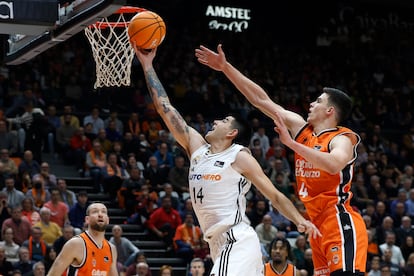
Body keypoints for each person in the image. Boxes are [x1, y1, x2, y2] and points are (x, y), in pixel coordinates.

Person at [134, 45, 319, 276]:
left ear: (232, 133)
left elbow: (274, 195)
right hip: (217, 245)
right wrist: (148, 65)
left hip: (237, 239)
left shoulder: (239, 156)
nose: (216, 121)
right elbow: (165, 108)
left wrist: (299, 220)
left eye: (224, 120)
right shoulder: (197, 149)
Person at [196, 44, 368, 275]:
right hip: (315, 224)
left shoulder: (342, 138)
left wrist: (291, 144)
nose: (311, 104)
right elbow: (260, 100)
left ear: (330, 111)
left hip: (338, 218)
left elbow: (334, 164)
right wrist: (225, 67)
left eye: (318, 101)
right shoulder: (301, 128)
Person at [46, 202, 118, 275]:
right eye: (95, 211)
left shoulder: (111, 249)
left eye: (103, 212)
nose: (100, 214)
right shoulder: (75, 244)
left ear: (108, 220)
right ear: (87, 219)